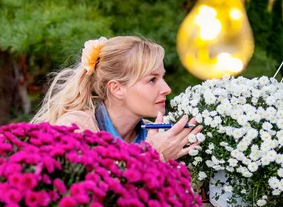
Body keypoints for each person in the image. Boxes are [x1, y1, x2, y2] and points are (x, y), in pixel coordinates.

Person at [32, 36, 202, 161]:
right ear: (117, 88)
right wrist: (154, 155)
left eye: (162, 78)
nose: (166, 89)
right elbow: (91, 198)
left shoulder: (157, 135)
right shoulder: (75, 129)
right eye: (152, 80)